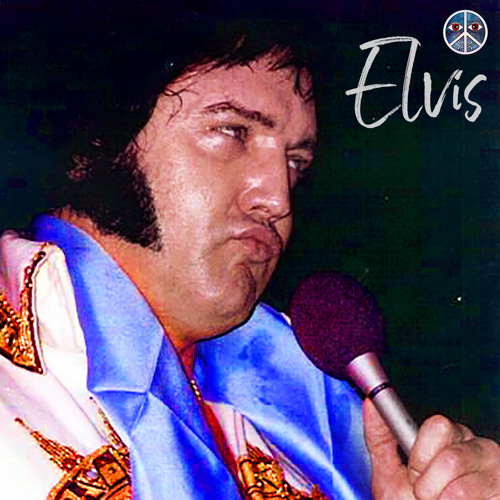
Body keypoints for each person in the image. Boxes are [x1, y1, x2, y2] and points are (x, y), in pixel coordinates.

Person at [0, 2, 498, 499]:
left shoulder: (312, 423)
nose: (278, 199)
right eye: (232, 132)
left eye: (296, 162)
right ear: (95, 137)